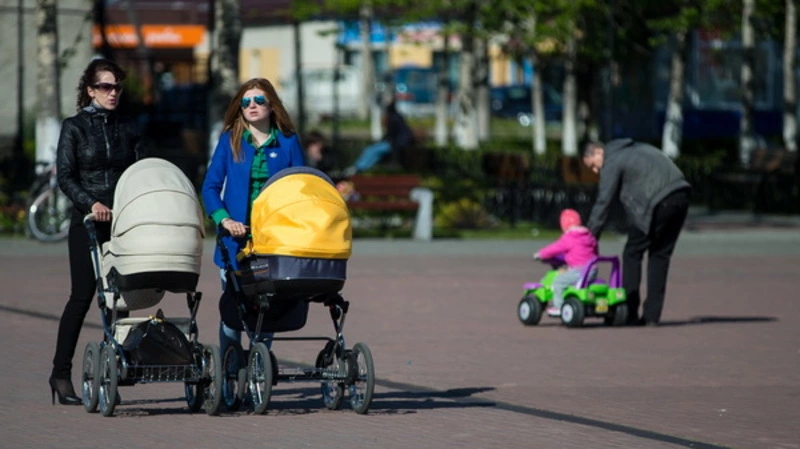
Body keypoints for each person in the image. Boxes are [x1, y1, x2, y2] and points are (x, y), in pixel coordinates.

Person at [51, 58, 145, 405]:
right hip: (88, 222)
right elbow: (65, 175)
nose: (113, 93)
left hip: (123, 221)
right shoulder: (74, 127)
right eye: (105, 87)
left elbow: (140, 171)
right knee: (83, 295)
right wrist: (91, 203)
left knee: (120, 297)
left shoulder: (129, 127)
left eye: (117, 87)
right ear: (90, 90)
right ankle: (60, 372)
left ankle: (114, 372)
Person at [201, 78, 305, 358]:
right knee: (233, 308)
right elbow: (210, 187)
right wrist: (225, 220)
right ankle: (230, 366)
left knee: (267, 304)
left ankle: (260, 365)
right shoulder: (230, 139)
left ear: (272, 105)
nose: (252, 106)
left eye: (259, 100)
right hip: (235, 241)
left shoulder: (287, 140)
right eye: (246, 102)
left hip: (272, 239)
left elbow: (301, 185)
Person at [582, 138, 691, 326]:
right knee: (660, 256)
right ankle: (651, 316)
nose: (595, 171)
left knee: (632, 252)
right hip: (681, 194)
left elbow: (604, 202)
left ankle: (629, 312)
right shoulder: (637, 148)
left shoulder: (612, 159)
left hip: (658, 200)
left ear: (598, 152)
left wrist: (589, 237)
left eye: (593, 166)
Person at [534, 209, 598, 317]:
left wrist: (540, 254)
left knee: (558, 281)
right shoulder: (588, 236)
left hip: (579, 271)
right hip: (592, 270)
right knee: (566, 274)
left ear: (564, 225)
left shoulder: (569, 237)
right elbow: (595, 250)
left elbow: (554, 248)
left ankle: (558, 306)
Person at [344, 100, 414, 175]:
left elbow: (391, 135)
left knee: (372, 151)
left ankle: (359, 167)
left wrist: (383, 140)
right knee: (372, 151)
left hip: (395, 145)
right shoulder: (397, 117)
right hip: (395, 144)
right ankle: (359, 167)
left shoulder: (393, 119)